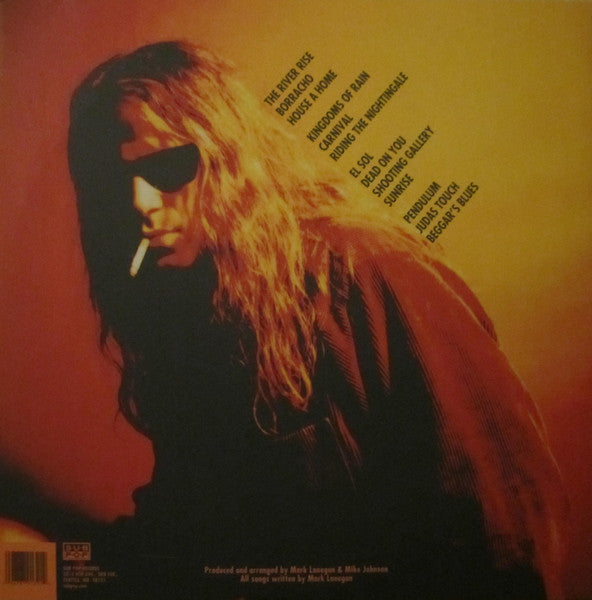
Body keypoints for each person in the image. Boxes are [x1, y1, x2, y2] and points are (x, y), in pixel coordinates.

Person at [65, 40, 567, 599]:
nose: (140, 203)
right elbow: (194, 534)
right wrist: (49, 568)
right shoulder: (180, 311)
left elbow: (505, 526)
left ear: (228, 158)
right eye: (111, 183)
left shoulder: (366, 272)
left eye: (166, 166)